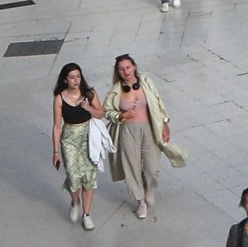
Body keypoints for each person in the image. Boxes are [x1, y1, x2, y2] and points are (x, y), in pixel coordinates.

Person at [108, 54, 178, 219]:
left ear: (134, 67)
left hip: (148, 128)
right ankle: (140, 201)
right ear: (117, 71)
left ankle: (149, 187)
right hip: (128, 131)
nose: (125, 71)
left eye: (128, 67)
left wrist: (165, 123)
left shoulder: (146, 82)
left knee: (152, 166)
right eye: (121, 69)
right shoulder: (116, 91)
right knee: (132, 166)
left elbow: (158, 103)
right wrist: (122, 115)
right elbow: (108, 112)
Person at [51, 62, 104, 231]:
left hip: (88, 136)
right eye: (72, 77)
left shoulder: (89, 93)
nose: (76, 80)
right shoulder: (59, 98)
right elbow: (57, 126)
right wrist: (55, 151)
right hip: (70, 138)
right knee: (73, 175)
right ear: (65, 80)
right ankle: (75, 201)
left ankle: (86, 214)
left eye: (78, 76)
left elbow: (101, 113)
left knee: (88, 176)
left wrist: (88, 107)